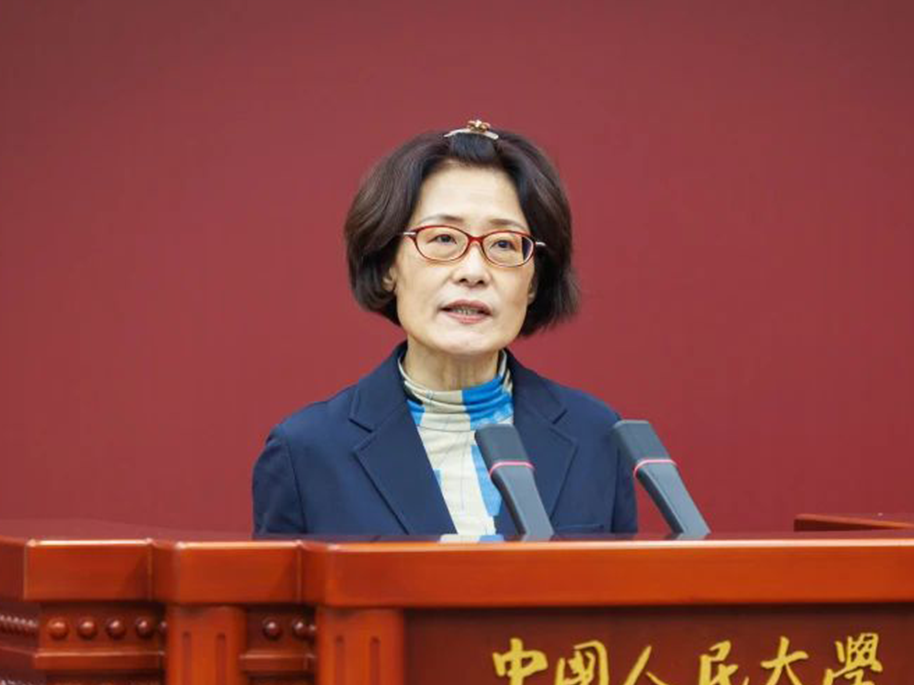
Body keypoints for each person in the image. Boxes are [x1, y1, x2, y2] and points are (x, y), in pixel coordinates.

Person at [252, 120, 637, 537]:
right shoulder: (307, 452)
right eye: (443, 239)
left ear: (533, 282)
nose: (473, 271)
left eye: (504, 244)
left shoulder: (597, 435)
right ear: (388, 267)